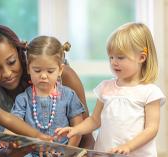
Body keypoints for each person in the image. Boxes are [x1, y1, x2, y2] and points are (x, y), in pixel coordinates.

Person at [0, 25, 94, 149]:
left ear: (20, 53)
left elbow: (86, 136)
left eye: (11, 62)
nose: (7, 73)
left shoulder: (63, 77)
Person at [55, 22, 166, 157]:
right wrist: (75, 130)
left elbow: (151, 129)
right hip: (105, 153)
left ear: (141, 57)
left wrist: (128, 146)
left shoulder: (149, 92)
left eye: (120, 57)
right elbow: (95, 120)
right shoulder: (105, 87)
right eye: (111, 57)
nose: (114, 62)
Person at [10, 36, 85, 156]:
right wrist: (8, 134)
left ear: (60, 70)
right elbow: (14, 123)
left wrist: (68, 152)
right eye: (37, 71)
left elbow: (78, 128)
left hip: (62, 153)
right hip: (30, 153)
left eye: (50, 71)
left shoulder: (69, 95)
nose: (43, 76)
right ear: (29, 68)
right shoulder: (23, 99)